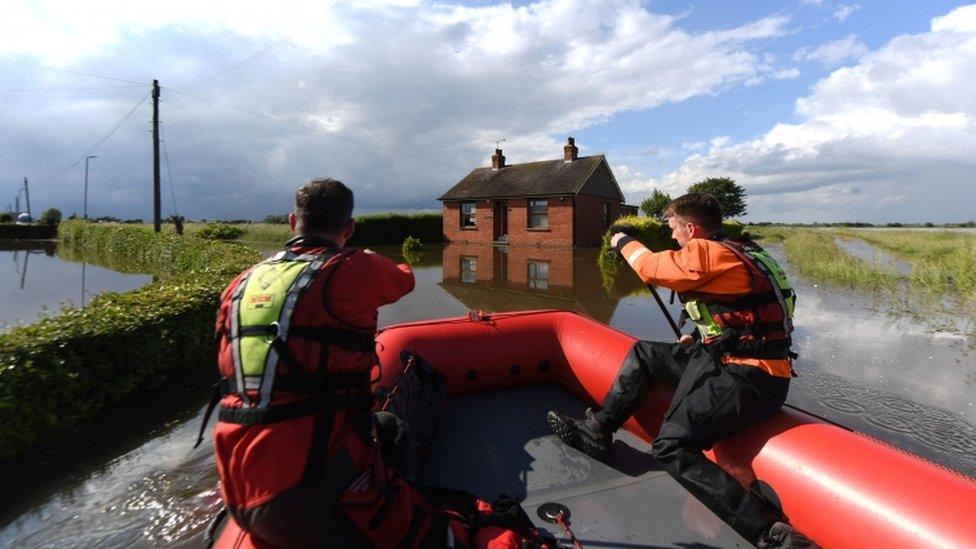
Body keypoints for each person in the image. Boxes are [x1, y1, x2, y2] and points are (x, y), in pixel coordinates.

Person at [546, 193, 816, 549]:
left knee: (671, 446)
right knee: (646, 353)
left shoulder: (708, 252)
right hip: (724, 356)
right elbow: (737, 307)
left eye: (674, 228)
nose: (673, 236)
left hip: (752, 375)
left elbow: (648, 267)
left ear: (691, 228)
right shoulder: (746, 251)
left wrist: (620, 238)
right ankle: (599, 429)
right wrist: (699, 332)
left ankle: (770, 534)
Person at [207, 178, 442, 547]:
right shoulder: (351, 268)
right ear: (349, 228)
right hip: (303, 493)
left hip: (236, 487)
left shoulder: (239, 284)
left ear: (291, 222)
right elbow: (404, 281)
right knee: (393, 431)